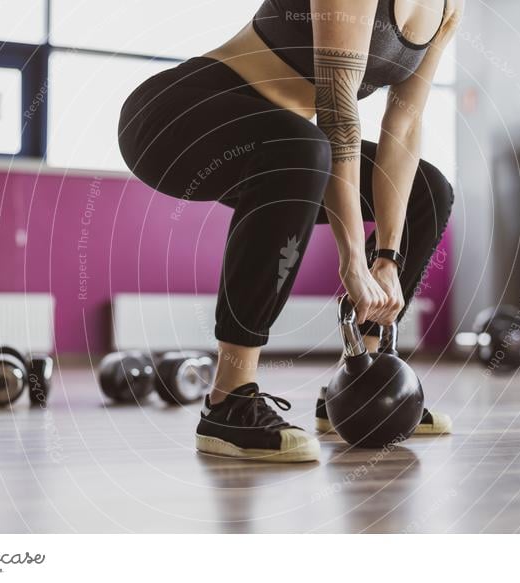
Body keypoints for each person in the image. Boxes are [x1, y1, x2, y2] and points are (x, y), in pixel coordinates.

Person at [118, 0, 463, 462]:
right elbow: (338, 113)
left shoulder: (447, 8)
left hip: (285, 146)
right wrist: (353, 260)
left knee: (427, 188)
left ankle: (362, 380)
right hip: (177, 115)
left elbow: (404, 124)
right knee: (302, 145)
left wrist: (388, 258)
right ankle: (230, 401)